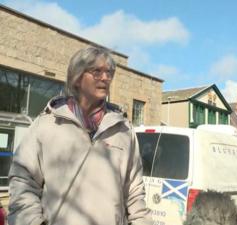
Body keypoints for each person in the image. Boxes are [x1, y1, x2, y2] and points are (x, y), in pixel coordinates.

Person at [7, 47, 153, 225]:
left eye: (109, 72)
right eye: (97, 71)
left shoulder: (123, 130)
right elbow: (23, 181)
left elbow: (135, 192)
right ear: (76, 78)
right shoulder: (47, 124)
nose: (105, 78)